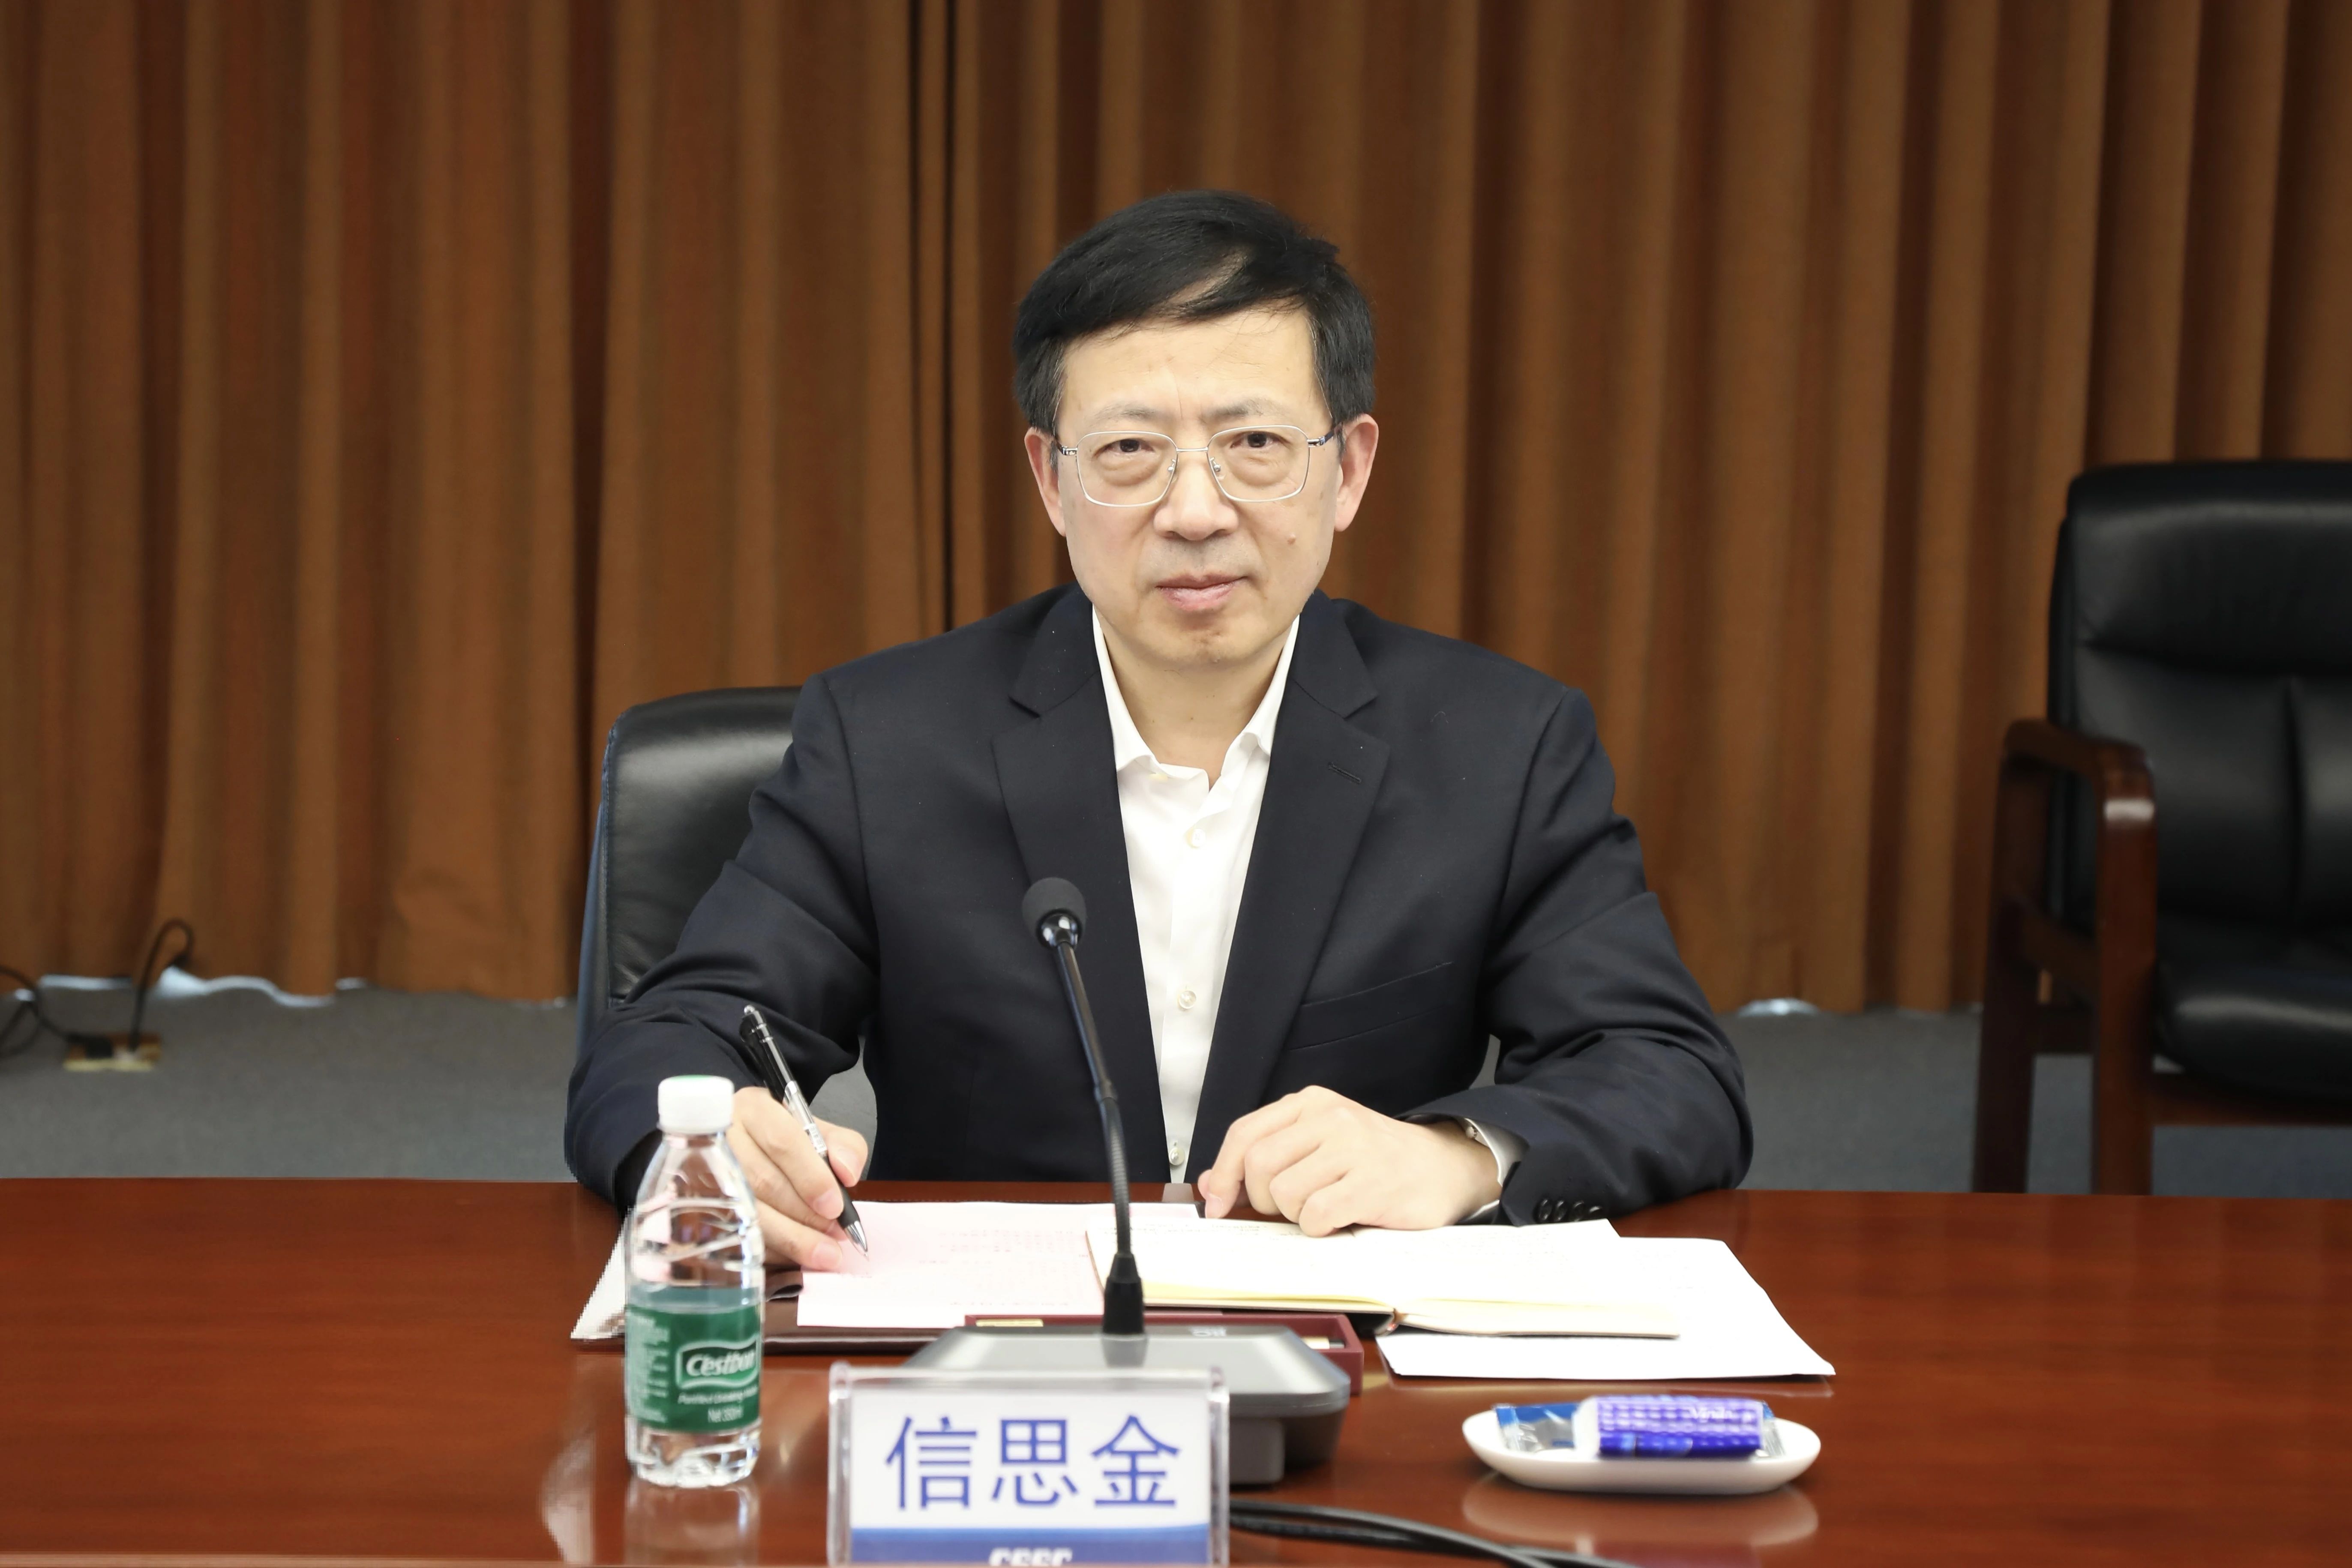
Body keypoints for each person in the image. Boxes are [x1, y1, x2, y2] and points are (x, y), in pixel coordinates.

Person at [566, 189, 1749, 1269]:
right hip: (989, 1355)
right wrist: (713, 1143)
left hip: (1349, 1358)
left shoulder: (1500, 745)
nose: (1194, 510)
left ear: (1347, 471)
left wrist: (1454, 1156)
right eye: (1130, 451)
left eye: (1255, 446)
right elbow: (663, 1040)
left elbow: (1670, 1074)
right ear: (1052, 480)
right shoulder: (889, 740)